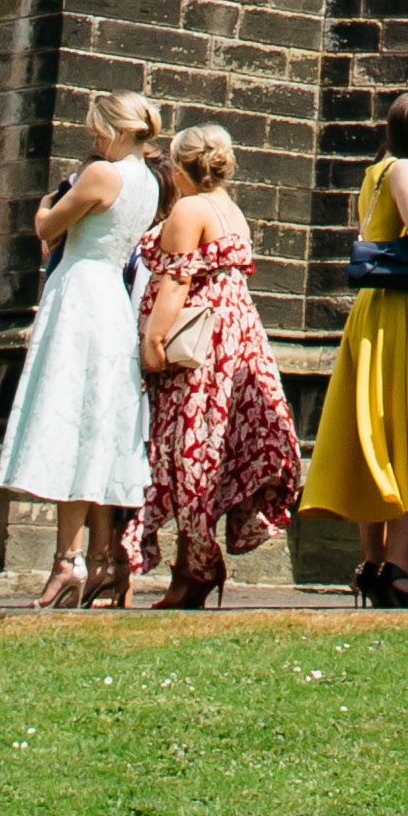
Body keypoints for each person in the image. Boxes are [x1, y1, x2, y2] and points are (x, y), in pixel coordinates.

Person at [0, 89, 165, 607]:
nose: (93, 140)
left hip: (78, 294)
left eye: (98, 130)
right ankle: (101, 560)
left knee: (70, 415)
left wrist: (47, 204)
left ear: (117, 130)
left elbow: (48, 230)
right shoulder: (150, 183)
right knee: (99, 424)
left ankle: (65, 563)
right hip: (112, 301)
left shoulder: (101, 175)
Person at [301, 92, 408, 611]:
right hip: (402, 309)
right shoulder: (405, 172)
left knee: (377, 433)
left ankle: (371, 563)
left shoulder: (374, 173)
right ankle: (397, 566)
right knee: (407, 436)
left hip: (374, 310)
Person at [135, 124, 304, 613]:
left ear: (180, 164)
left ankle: (197, 565)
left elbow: (177, 280)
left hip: (199, 344)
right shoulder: (229, 208)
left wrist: (153, 338)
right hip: (234, 336)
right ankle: (193, 561)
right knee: (210, 446)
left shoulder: (189, 209)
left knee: (189, 448)